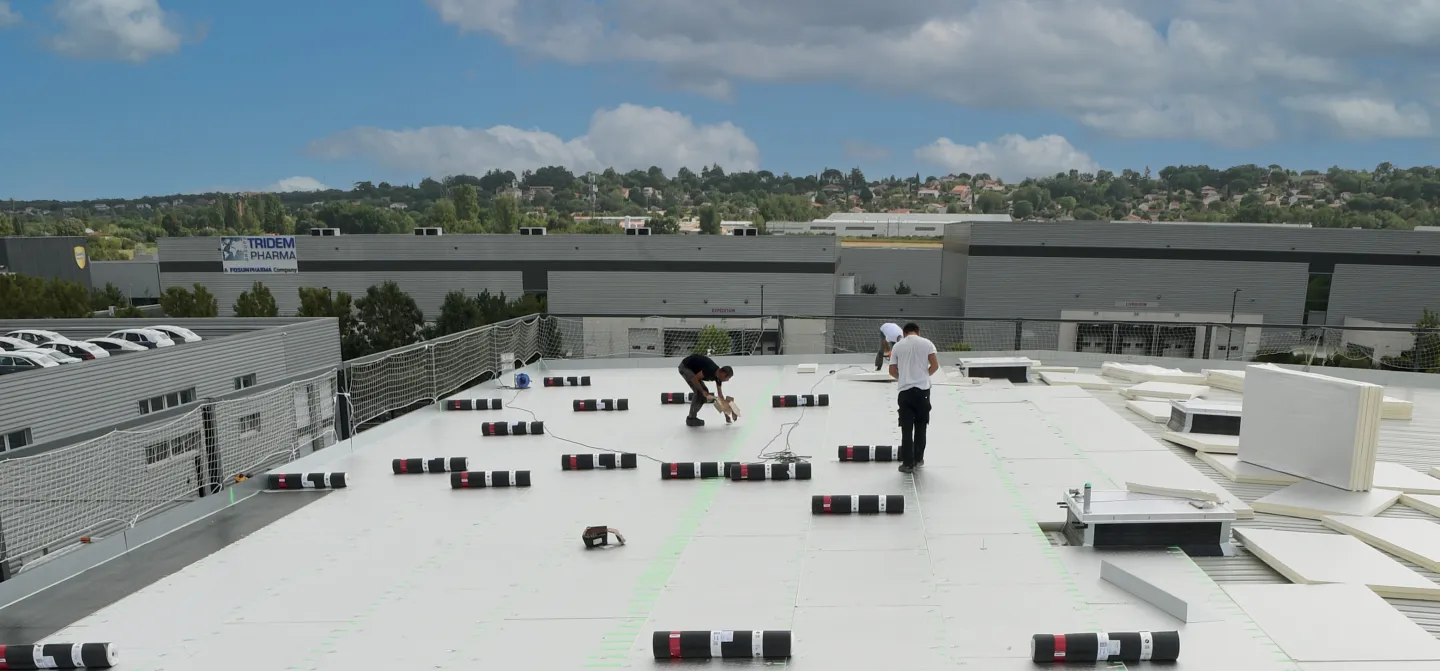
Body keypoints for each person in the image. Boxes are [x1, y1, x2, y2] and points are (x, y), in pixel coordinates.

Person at [887, 322, 938, 473]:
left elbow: (891, 370)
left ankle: (907, 464)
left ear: (904, 333)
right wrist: (924, 376)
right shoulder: (927, 343)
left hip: (905, 392)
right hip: (923, 392)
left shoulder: (897, 346)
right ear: (918, 331)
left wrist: (902, 377)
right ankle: (918, 459)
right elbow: (935, 365)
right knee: (921, 426)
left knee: (906, 429)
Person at [678, 353, 733, 427]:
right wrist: (702, 391)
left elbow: (720, 397)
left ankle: (692, 416)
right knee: (700, 392)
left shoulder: (718, 377)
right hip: (685, 367)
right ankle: (691, 418)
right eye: (727, 377)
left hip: (693, 370)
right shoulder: (710, 370)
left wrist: (726, 414)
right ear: (722, 373)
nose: (727, 380)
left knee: (703, 392)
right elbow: (694, 379)